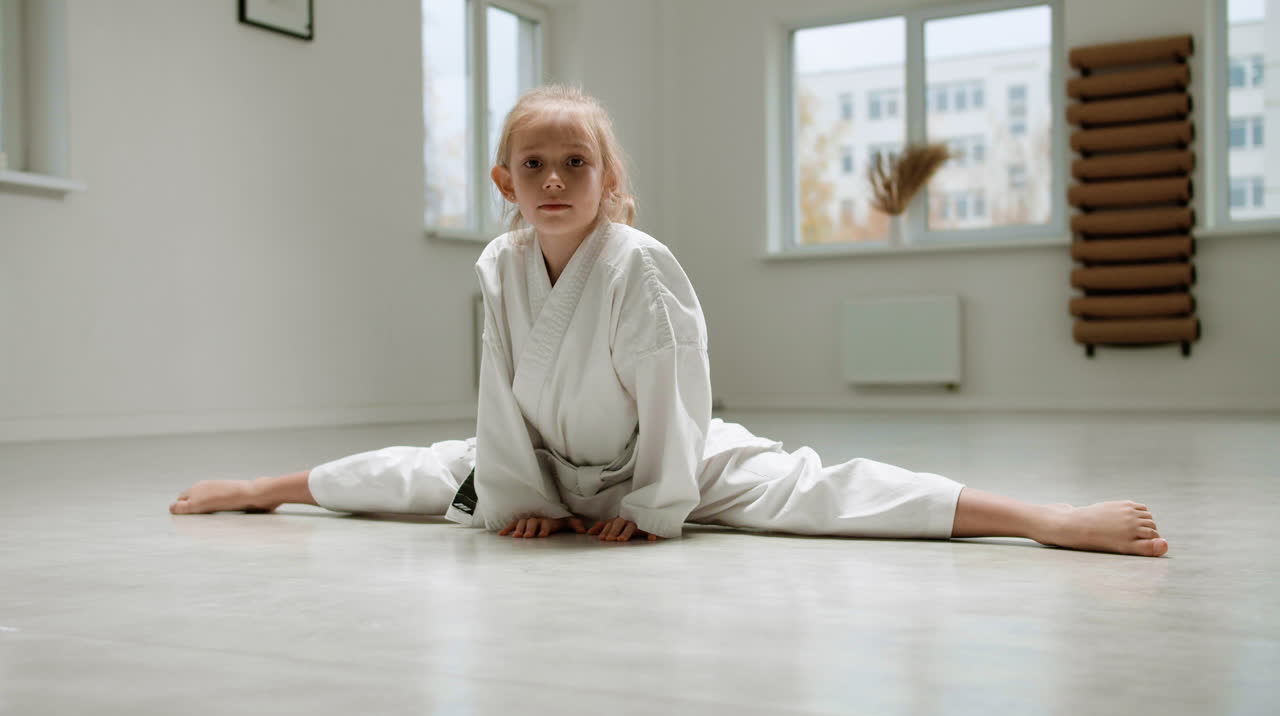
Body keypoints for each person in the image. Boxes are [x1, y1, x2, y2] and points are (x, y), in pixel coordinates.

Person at [171, 85, 1168, 557]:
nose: (554, 180)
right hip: (549, 461)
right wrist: (527, 495)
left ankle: (1042, 520)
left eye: (576, 164)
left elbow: (675, 399)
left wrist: (648, 509)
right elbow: (494, 403)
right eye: (533, 165)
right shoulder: (501, 265)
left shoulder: (638, 266)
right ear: (502, 183)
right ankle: (265, 486)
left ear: (609, 182)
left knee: (819, 491)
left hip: (669, 456)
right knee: (425, 470)